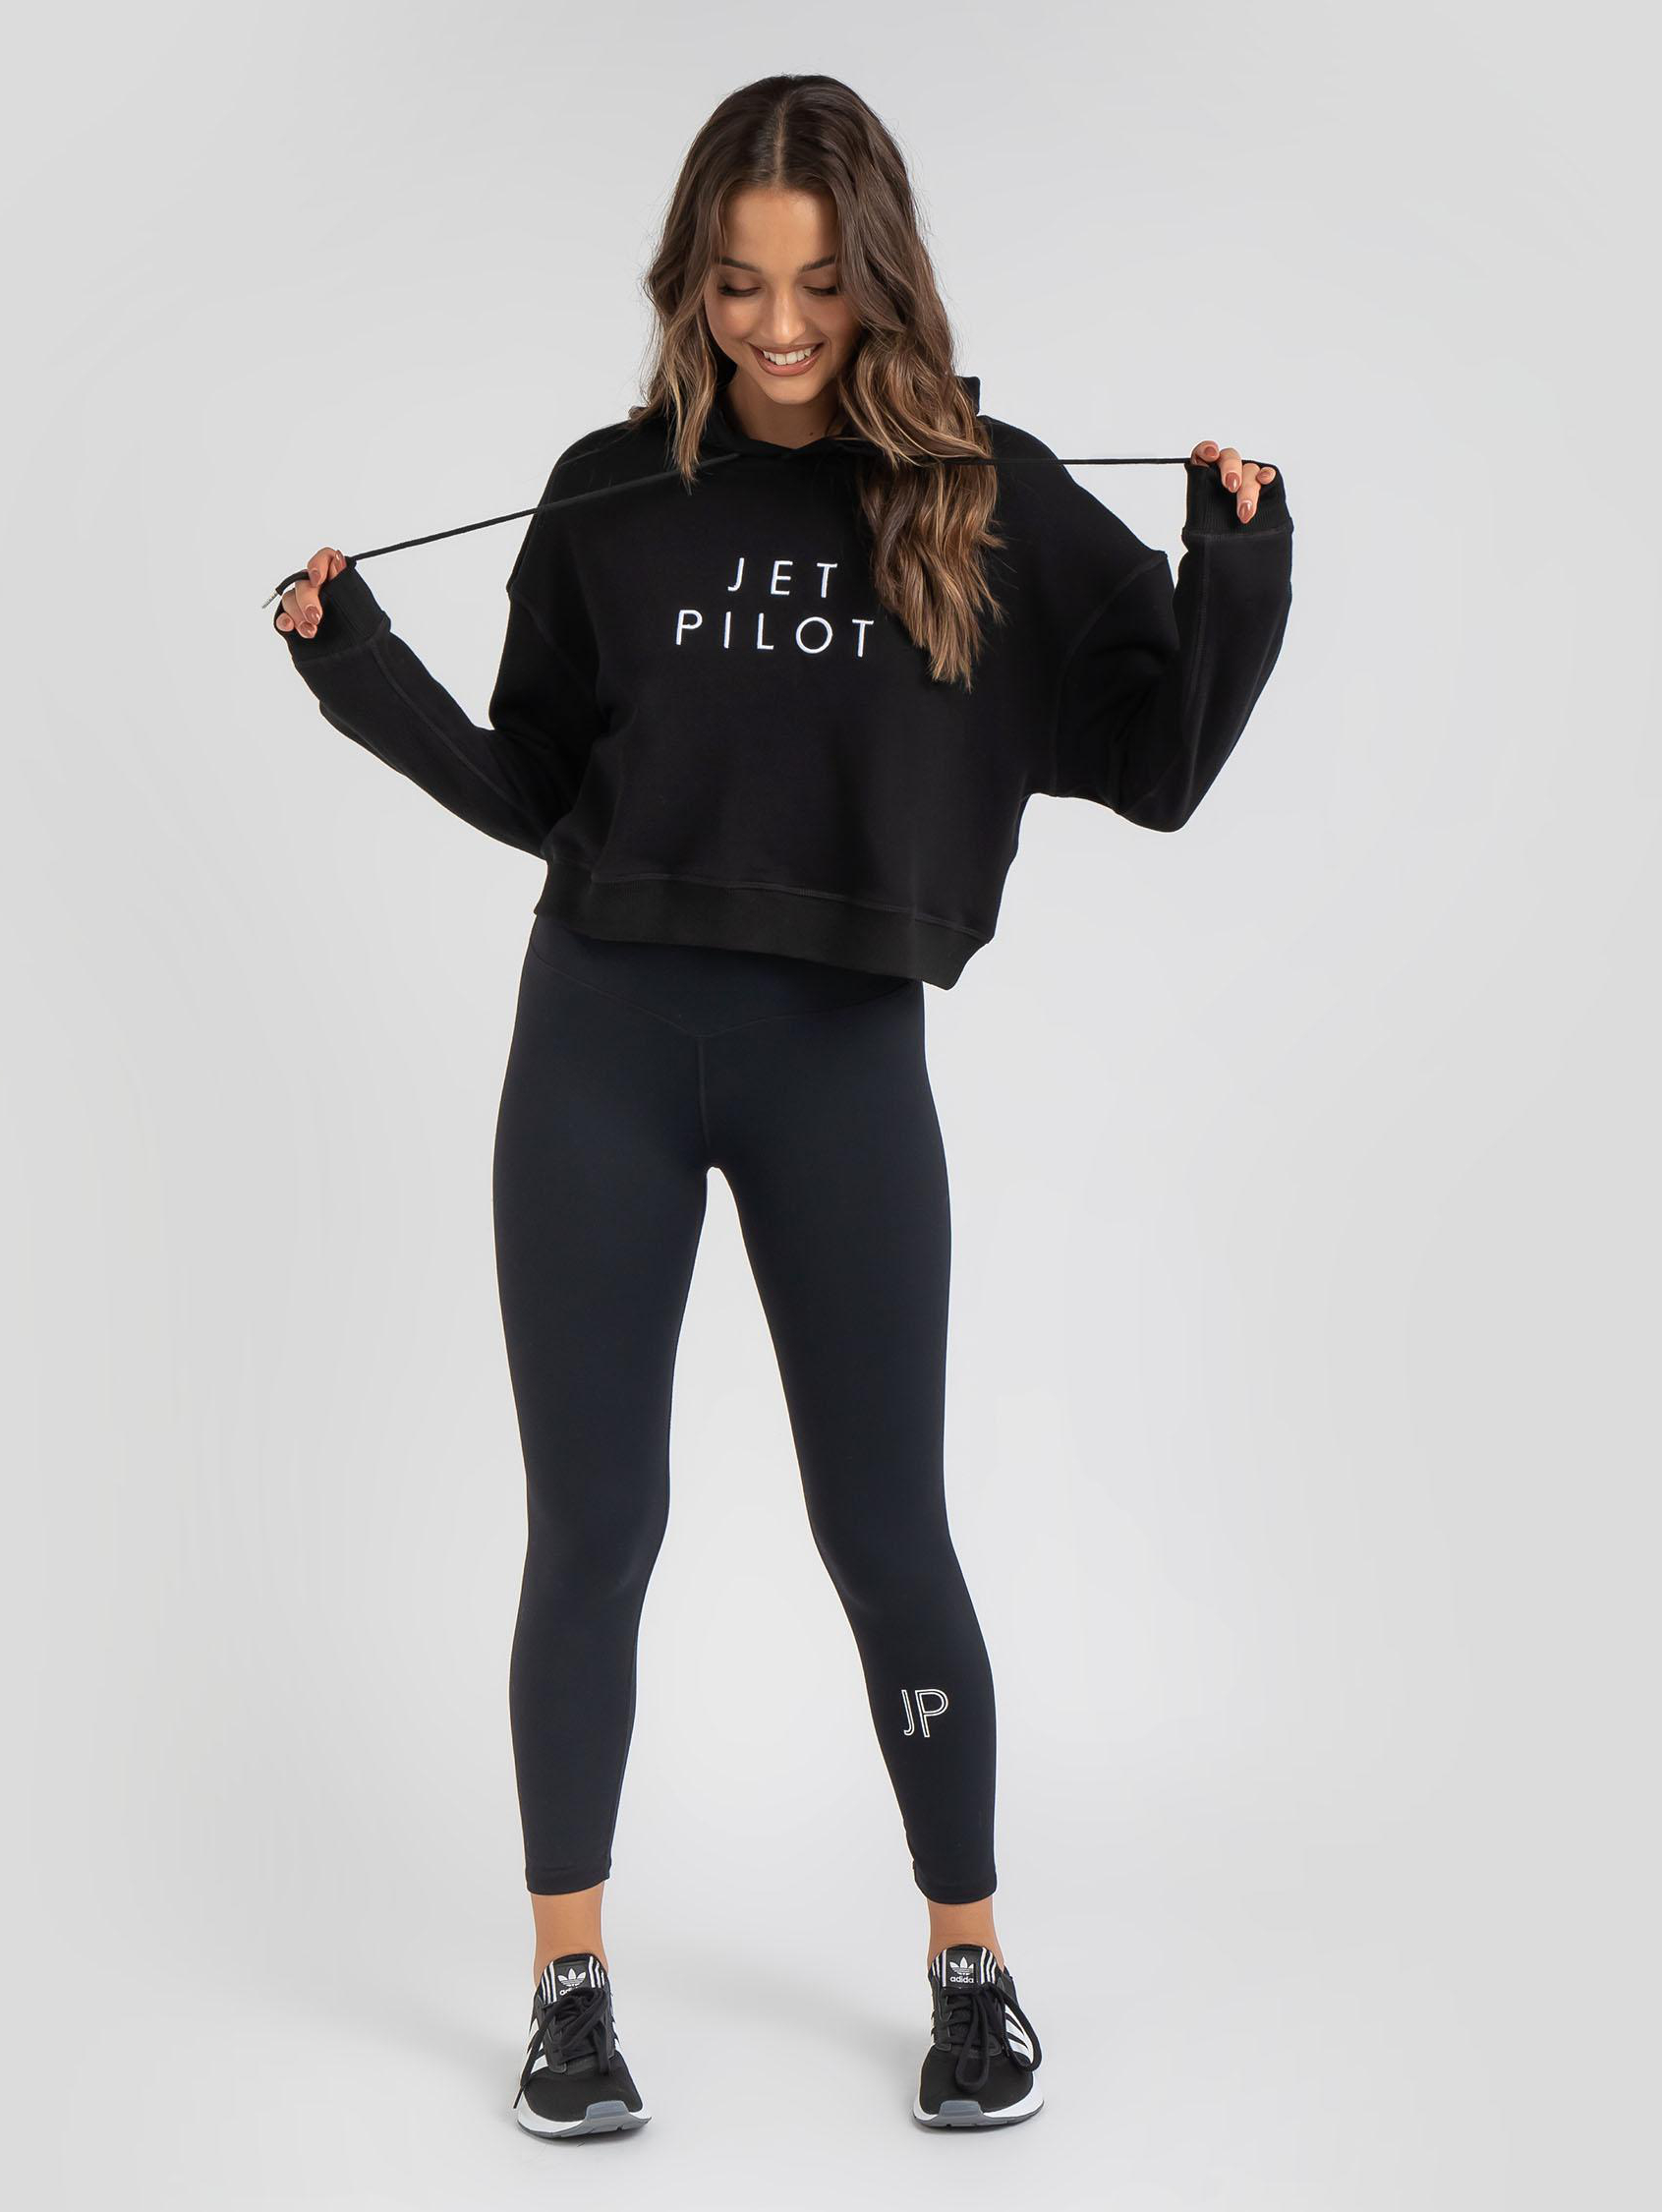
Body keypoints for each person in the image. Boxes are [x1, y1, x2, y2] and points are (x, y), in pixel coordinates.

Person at [271, 72, 1292, 2139]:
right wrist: (355, 668)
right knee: (597, 1532)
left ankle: (970, 1960)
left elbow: (1161, 763)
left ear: (880, 276)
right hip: (600, 1044)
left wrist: (1243, 560)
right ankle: (569, 1985)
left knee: (886, 1530)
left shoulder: (985, 501)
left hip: (840, 1062)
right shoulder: (609, 495)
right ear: (690, 284)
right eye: (738, 284)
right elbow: (538, 788)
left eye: (819, 282)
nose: (779, 325)